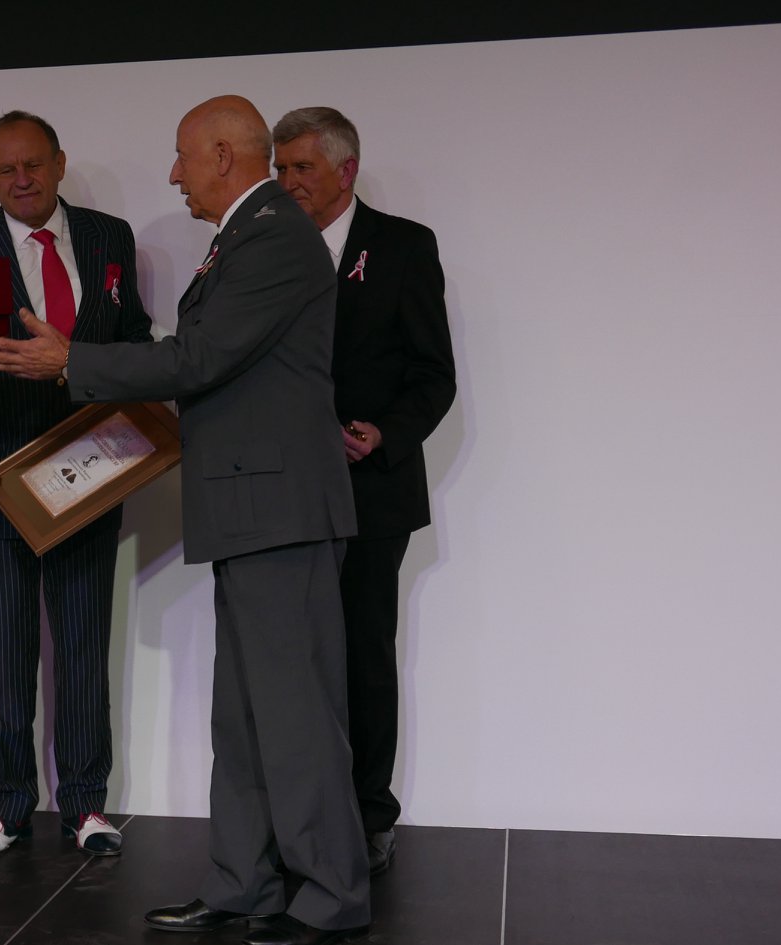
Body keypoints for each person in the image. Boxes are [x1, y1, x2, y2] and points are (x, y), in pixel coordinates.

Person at [0, 95, 369, 945]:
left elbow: (199, 356)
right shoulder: (246, 234)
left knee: (296, 718)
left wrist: (71, 359)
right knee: (246, 719)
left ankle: (331, 896)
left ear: (224, 155)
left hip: (279, 512)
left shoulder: (274, 234)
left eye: (184, 157)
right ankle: (243, 883)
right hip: (249, 510)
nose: (174, 174)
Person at [0, 110, 153, 860]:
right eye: (6, 170)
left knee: (82, 649)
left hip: (86, 478)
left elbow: (134, 342)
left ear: (60, 162)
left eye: (34, 165)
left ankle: (86, 805)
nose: (22, 180)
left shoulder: (110, 238)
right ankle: (7, 807)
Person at [272, 107, 456, 874]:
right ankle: (301, 817)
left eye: (302, 168)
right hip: (284, 490)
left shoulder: (405, 246)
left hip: (370, 490)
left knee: (363, 657)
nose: (287, 183)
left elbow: (434, 375)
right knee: (293, 663)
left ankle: (369, 813)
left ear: (345, 170)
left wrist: (383, 432)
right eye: (281, 169)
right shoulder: (267, 246)